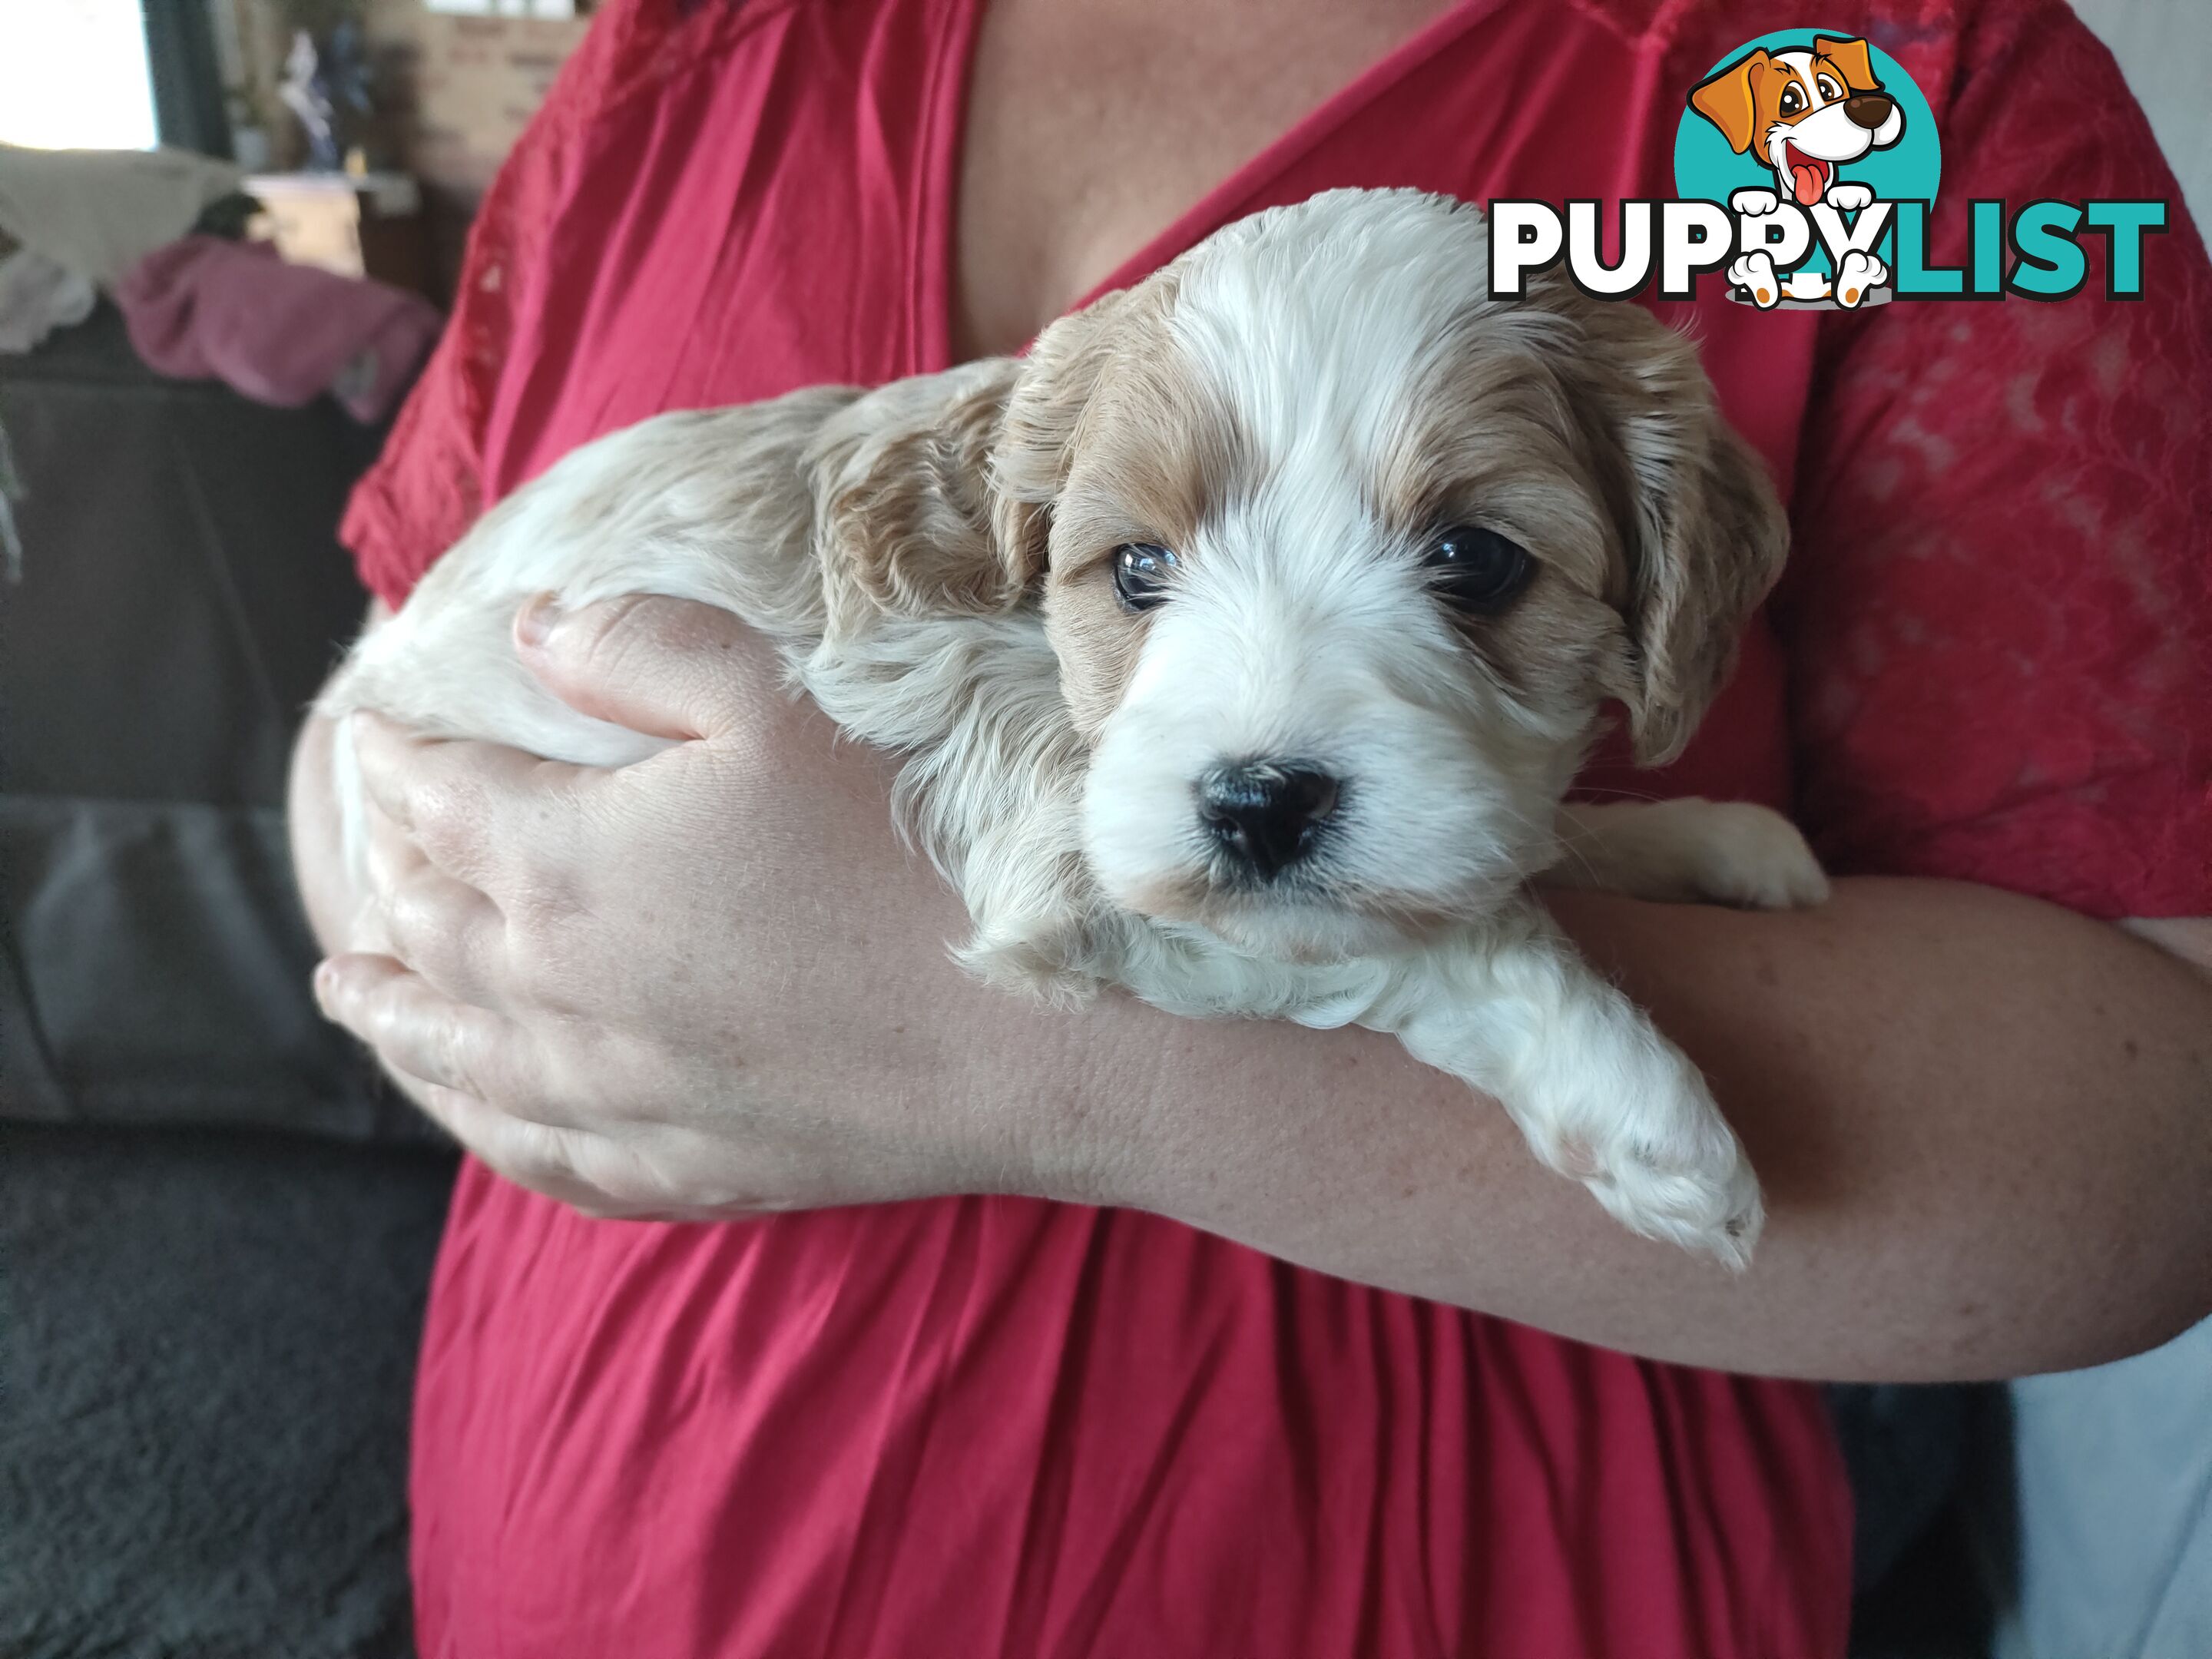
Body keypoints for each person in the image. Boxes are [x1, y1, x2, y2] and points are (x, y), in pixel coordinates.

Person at [287, 0, 2212, 1653]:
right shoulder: (687, 42)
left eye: (1467, 561)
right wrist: (471, 992)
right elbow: (363, 733)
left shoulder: (1878, 79)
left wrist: (1009, 1053)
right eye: (1133, 565)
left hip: (1478, 1569)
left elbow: (2159, 1137)